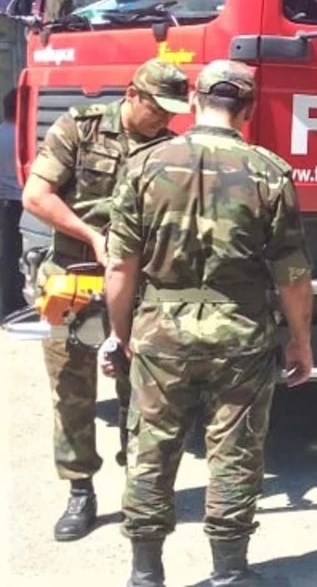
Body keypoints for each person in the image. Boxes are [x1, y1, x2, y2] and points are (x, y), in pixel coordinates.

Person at [105, 60, 314, 587]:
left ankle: (146, 572)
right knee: (235, 450)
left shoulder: (144, 164)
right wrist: (302, 341)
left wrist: (121, 332)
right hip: (240, 330)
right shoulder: (268, 171)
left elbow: (120, 264)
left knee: (151, 447)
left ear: (194, 100)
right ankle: (229, 571)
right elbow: (291, 271)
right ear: (246, 110)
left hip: (159, 327)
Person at [21, 59, 189, 542]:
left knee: (140, 393)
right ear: (133, 94)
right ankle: (80, 491)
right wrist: (92, 236)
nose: (164, 118)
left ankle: (140, 490)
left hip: (139, 288)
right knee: (72, 392)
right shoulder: (81, 125)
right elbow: (37, 195)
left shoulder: (171, 148)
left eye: (172, 110)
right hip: (75, 279)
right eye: (157, 107)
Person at [1, 88, 26, 318]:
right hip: (24, 203)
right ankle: (17, 304)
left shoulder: (1, 133)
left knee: (8, 255)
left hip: (6, 203)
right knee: (21, 256)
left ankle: (9, 304)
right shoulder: (24, 137)